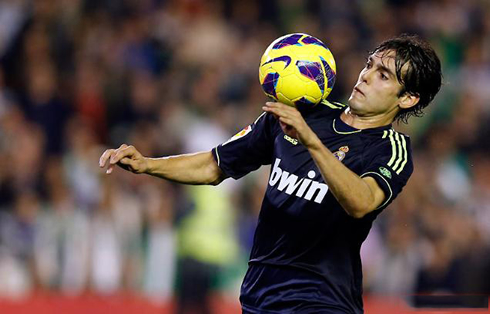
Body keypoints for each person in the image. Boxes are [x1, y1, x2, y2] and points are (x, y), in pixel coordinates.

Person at [99, 34, 442, 313]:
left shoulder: (391, 149)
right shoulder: (305, 110)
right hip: (260, 293)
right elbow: (215, 164)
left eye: (383, 75)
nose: (365, 76)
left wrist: (310, 141)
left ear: (408, 99)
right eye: (369, 65)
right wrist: (148, 164)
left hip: (321, 300)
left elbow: (361, 202)